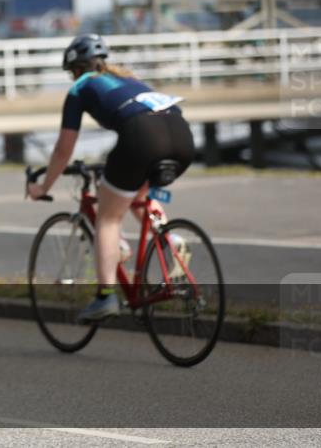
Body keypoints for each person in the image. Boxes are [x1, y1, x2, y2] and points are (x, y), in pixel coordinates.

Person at [26, 33, 195, 322]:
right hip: (182, 137)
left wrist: (43, 186)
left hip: (142, 137)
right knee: (135, 195)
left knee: (107, 218)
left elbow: (63, 149)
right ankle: (170, 240)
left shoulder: (80, 88)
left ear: (75, 69)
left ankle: (105, 296)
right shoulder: (131, 79)